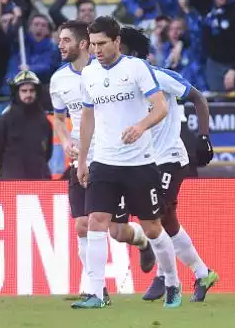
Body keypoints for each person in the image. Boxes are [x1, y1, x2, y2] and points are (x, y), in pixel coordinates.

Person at [72, 16, 181, 309]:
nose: (96, 50)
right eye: (93, 44)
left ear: (117, 41)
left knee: (153, 228)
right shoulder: (89, 74)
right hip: (104, 161)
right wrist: (83, 160)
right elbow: (88, 117)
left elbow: (160, 109)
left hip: (140, 162)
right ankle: (96, 292)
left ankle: (172, 281)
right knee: (96, 221)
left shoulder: (137, 69)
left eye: (102, 44)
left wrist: (141, 126)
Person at [50, 20, 156, 304]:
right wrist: (67, 143)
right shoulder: (58, 80)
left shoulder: (108, 72)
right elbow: (60, 120)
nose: (60, 45)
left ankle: (143, 241)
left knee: (117, 231)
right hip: (85, 159)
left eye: (65, 40)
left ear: (83, 43)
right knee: (84, 224)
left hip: (114, 156)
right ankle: (96, 289)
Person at [117, 26, 219, 303]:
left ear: (132, 52)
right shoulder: (122, 83)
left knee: (155, 218)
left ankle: (164, 276)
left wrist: (204, 137)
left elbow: (197, 97)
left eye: (119, 46)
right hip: (145, 160)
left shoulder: (160, 77)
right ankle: (203, 273)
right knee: (169, 222)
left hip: (170, 158)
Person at [0, 70, 52, 179]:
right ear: (17, 92)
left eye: (32, 91)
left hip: (39, 180)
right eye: (24, 91)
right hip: (11, 183)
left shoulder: (44, 121)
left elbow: (47, 153)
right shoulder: (5, 120)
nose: (28, 94)